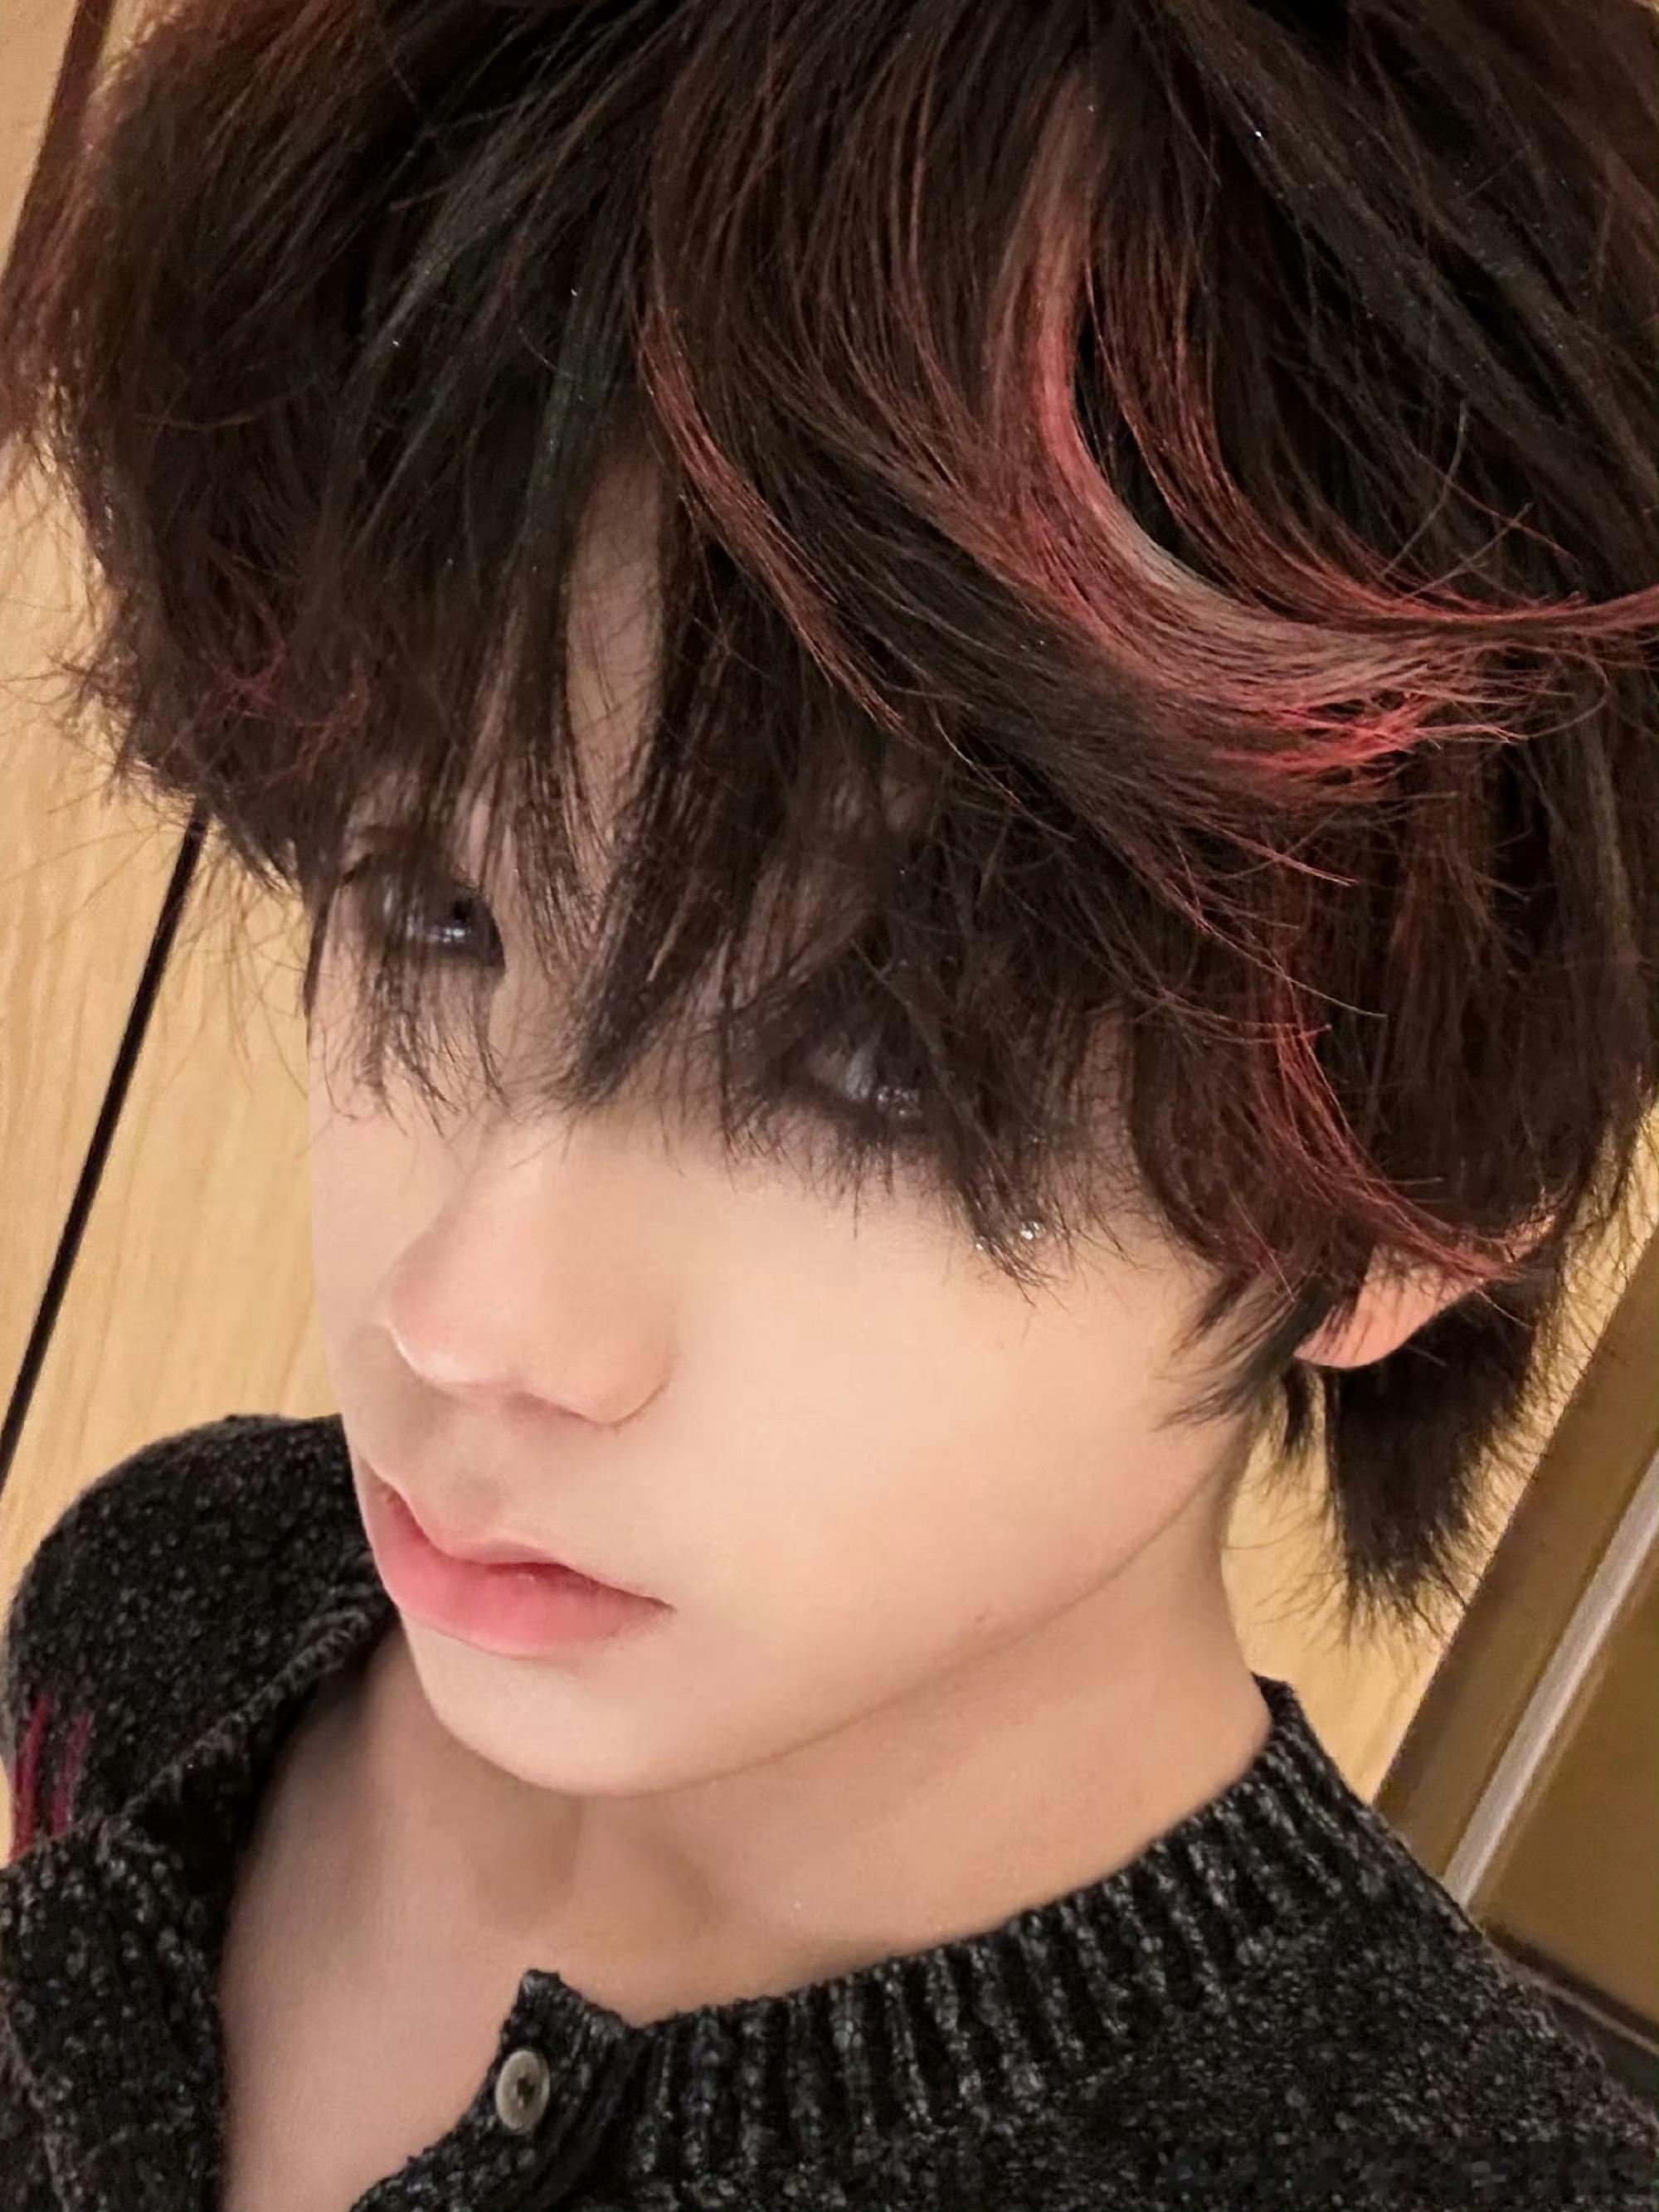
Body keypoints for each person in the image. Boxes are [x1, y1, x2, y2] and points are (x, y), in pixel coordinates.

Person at [2, 0, 1657, 2205]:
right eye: (433, 910)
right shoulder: (173, 1600)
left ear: (1407, 1200)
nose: (463, 1320)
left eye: (877, 1066)